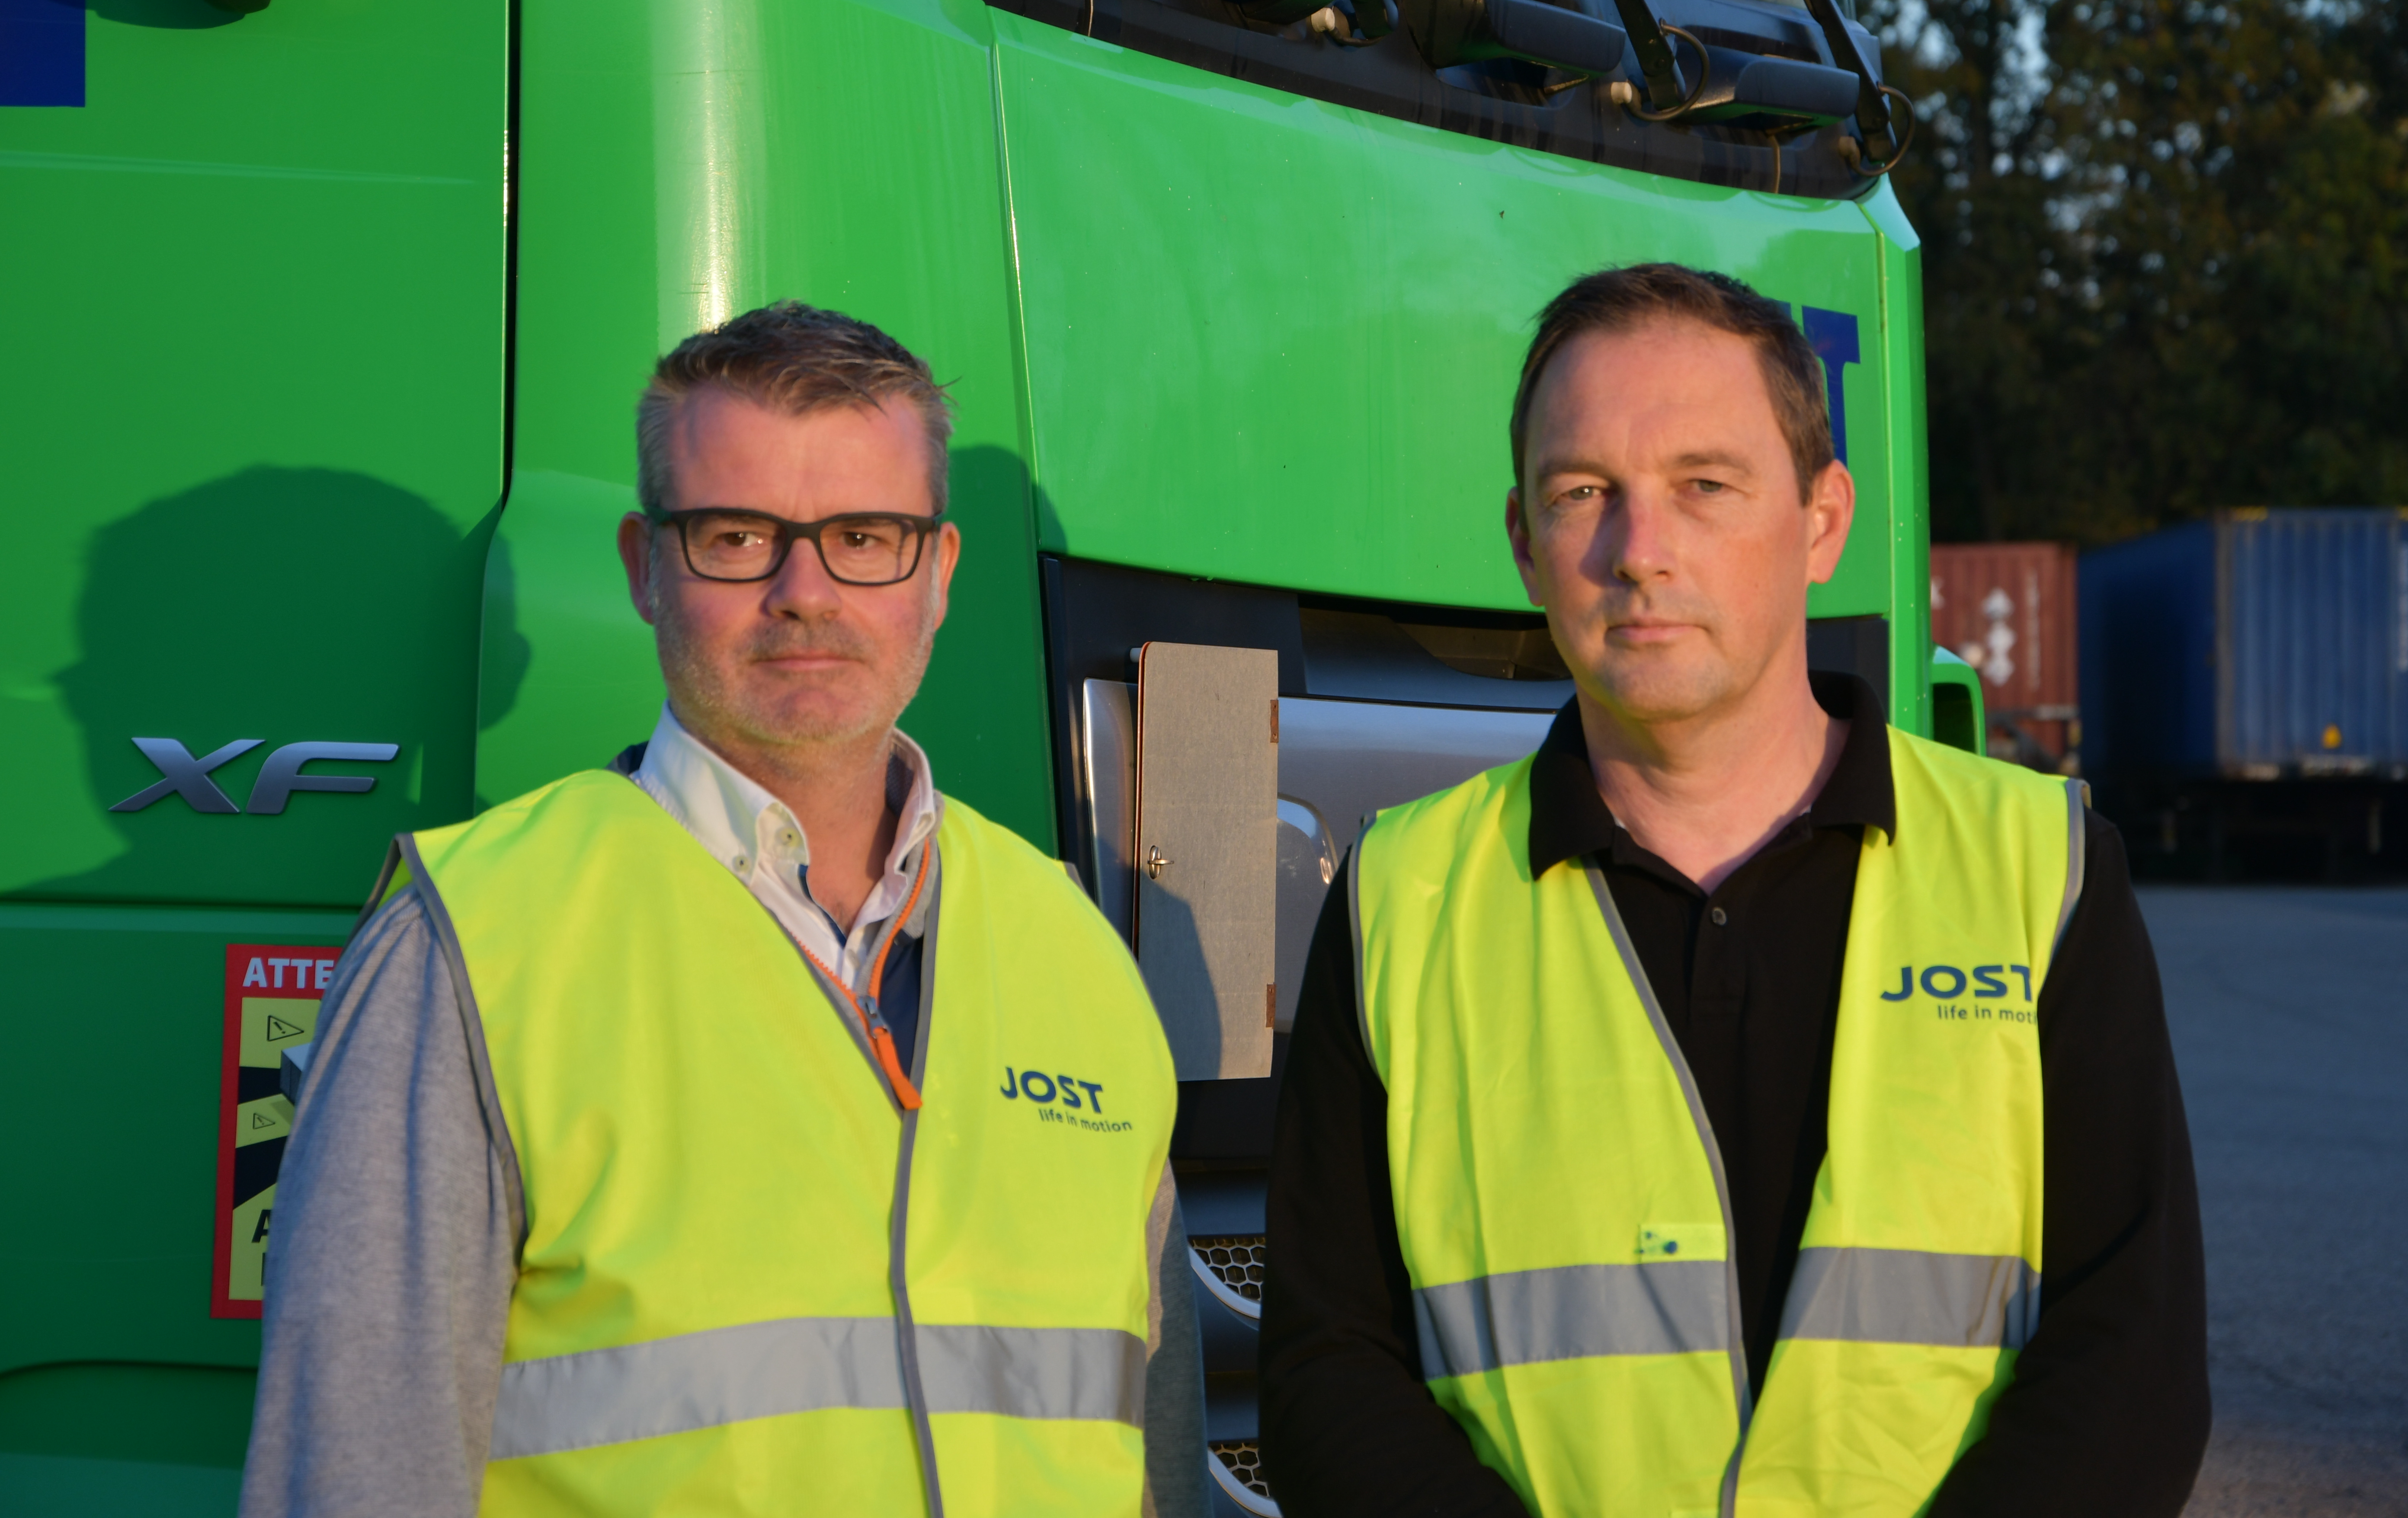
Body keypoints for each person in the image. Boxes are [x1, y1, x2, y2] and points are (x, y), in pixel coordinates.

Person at [1258, 264, 2209, 1516]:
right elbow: (1327, 1374)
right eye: (1583, 492)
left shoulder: (2045, 866)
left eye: (1704, 487)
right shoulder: (1403, 897)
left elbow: (2132, 1356)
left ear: (1822, 522)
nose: (1639, 552)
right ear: (1523, 545)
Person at [240, 303, 1207, 1518]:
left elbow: (1155, 1457)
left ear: (940, 574)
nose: (805, 593)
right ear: (646, 569)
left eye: (865, 536)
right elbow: (354, 1477)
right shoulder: (471, 939)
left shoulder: (1072, 942)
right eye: (740, 537)